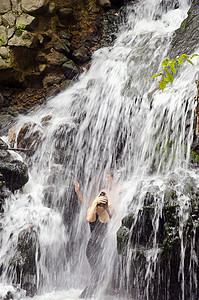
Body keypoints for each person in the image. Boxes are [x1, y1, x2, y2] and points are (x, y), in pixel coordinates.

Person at [79, 191, 114, 299]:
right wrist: (95, 202)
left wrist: (104, 199)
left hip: (102, 249)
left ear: (105, 206)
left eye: (101, 208)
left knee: (100, 275)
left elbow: (113, 209)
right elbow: (88, 219)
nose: (99, 210)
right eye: (97, 207)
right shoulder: (92, 211)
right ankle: (84, 297)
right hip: (92, 248)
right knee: (97, 273)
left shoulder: (109, 211)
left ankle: (92, 295)